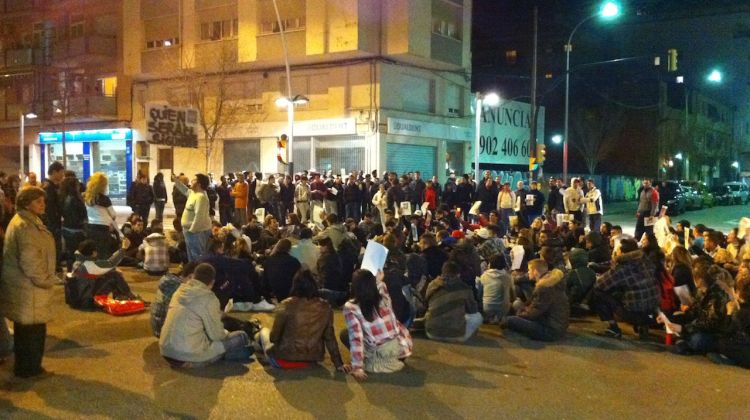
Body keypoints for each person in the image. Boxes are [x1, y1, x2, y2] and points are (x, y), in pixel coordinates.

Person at [0, 187, 56, 378]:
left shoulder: (27, 222)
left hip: (26, 287)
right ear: (27, 203)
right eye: (38, 201)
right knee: (31, 333)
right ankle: (29, 370)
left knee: (28, 331)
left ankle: (28, 368)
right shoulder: (24, 226)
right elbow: (30, 260)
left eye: (43, 201)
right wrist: (45, 280)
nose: (43, 205)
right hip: (28, 288)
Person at [159, 263, 252, 367]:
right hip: (187, 355)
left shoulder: (179, 291)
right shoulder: (209, 298)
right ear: (212, 282)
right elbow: (217, 336)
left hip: (166, 350)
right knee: (241, 336)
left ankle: (227, 353)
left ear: (193, 276)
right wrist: (225, 333)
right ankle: (231, 353)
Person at [256, 270, 347, 370]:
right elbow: (330, 338)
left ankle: (256, 337)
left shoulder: (286, 305)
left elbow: (273, 338)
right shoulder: (325, 307)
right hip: (312, 359)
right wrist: (339, 364)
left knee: (263, 332)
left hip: (283, 358)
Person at [342, 269, 412, 381]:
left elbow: (356, 339)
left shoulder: (351, 307)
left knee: (345, 334)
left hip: (380, 352)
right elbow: (382, 287)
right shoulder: (384, 298)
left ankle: (371, 361)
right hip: (399, 346)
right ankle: (392, 359)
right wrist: (379, 280)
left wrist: (357, 367)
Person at [593, 239, 661, 339]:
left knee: (597, 292)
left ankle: (613, 328)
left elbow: (600, 284)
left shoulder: (623, 267)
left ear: (622, 252)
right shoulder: (645, 260)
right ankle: (643, 326)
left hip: (634, 313)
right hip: (654, 311)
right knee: (635, 290)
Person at [502, 259, 569, 341]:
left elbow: (534, 312)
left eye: (529, 270)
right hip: (555, 325)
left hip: (550, 331)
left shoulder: (544, 287)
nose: (528, 272)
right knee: (517, 304)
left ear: (536, 272)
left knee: (509, 320)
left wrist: (519, 314)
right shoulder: (550, 283)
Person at [151, 262, 198, 338]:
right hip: (166, 331)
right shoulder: (178, 287)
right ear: (191, 277)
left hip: (161, 324)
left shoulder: (172, 280)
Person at [174, 173, 212, 262]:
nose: (191, 181)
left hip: (196, 232)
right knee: (191, 254)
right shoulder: (193, 193)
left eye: (194, 180)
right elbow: (185, 190)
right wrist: (176, 180)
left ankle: (198, 273)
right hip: (190, 231)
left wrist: (192, 231)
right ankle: (192, 272)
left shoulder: (201, 197)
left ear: (199, 184)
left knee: (197, 255)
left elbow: (199, 217)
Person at [84, 172, 119, 260]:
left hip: (90, 227)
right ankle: (103, 272)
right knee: (103, 253)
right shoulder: (104, 199)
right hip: (103, 229)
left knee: (93, 252)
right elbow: (113, 215)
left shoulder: (88, 197)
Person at [60, 175, 88, 272]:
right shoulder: (76, 200)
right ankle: (76, 275)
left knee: (70, 254)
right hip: (77, 230)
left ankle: (70, 273)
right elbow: (82, 215)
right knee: (78, 255)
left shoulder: (64, 198)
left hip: (67, 229)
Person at [43, 161, 65, 274]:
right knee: (54, 247)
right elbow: (50, 209)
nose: (63, 175)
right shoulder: (48, 188)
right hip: (51, 224)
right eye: (61, 172)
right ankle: (55, 269)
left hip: (55, 222)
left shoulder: (54, 187)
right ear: (54, 172)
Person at [478, 255, 512, 323]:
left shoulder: (484, 276)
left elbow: (480, 294)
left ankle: (489, 318)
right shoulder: (507, 277)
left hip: (487, 308)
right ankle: (498, 318)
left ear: (491, 264)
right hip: (503, 309)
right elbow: (510, 294)